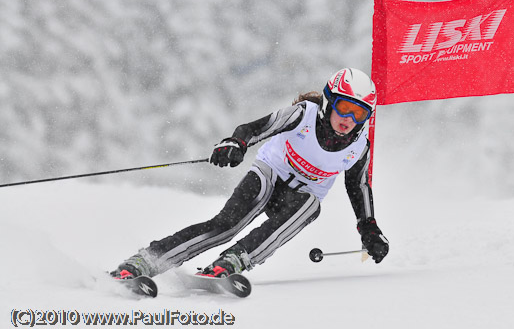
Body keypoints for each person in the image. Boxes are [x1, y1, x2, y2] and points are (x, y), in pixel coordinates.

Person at [111, 68, 389, 280]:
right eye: (344, 108)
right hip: (268, 176)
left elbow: (359, 186)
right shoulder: (303, 115)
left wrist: (369, 229)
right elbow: (255, 128)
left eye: (360, 114)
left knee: (312, 206)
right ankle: (145, 262)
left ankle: (235, 260)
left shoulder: (359, 146)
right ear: (329, 102)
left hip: (298, 199)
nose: (349, 120)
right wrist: (236, 143)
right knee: (226, 226)